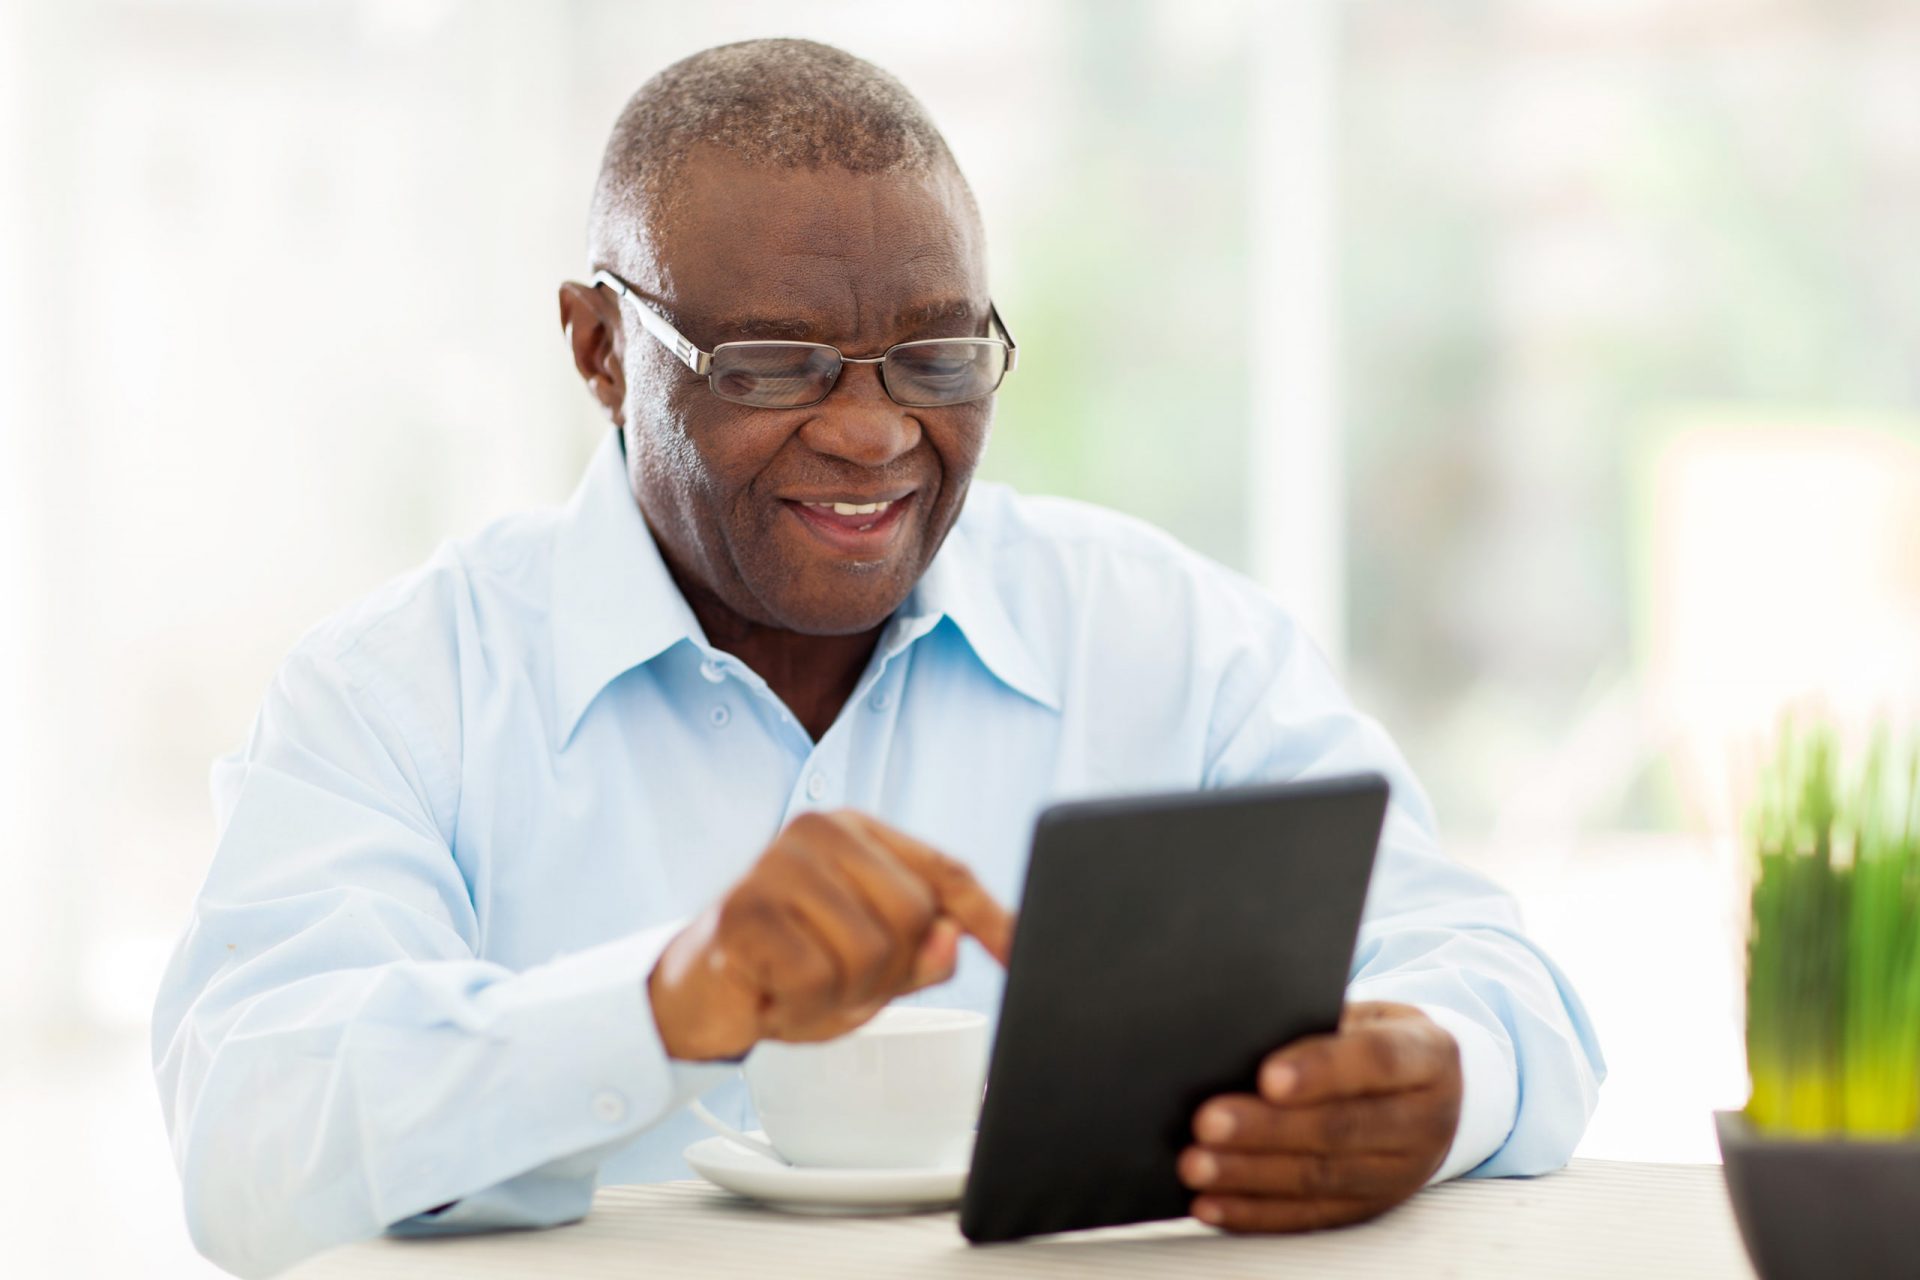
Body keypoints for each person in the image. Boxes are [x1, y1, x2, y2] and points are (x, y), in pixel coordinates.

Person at [152, 37, 1603, 1279]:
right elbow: (250, 1136)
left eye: (940, 355)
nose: (873, 431)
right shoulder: (404, 689)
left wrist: (1436, 1079)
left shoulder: (1168, 641)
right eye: (771, 364)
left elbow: (1497, 975)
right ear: (599, 350)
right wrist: (666, 1002)